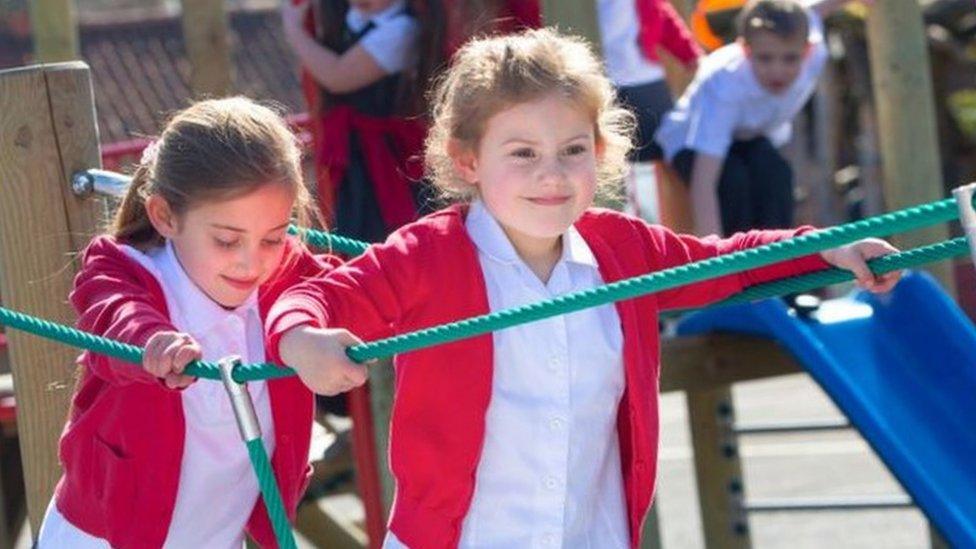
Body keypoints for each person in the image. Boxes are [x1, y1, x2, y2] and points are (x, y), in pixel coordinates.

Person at [265, 29, 900, 548]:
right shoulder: (427, 255)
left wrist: (832, 249)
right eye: (521, 153)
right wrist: (301, 342)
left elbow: (722, 261)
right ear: (467, 161)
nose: (552, 174)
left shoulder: (621, 249)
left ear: (599, 152)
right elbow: (312, 299)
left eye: (573, 150)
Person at [37, 97, 340, 549]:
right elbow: (113, 314)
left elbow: (360, 291)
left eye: (273, 237)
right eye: (226, 239)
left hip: (218, 536)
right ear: (165, 216)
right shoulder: (125, 268)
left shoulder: (288, 276)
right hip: (105, 538)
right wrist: (149, 341)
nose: (250, 261)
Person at [655, 0, 864, 236]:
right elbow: (704, 181)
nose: (778, 70)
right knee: (733, 180)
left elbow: (811, 10)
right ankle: (738, 262)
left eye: (790, 59)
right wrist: (713, 252)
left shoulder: (813, 54)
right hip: (689, 140)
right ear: (745, 51)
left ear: (807, 50)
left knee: (776, 172)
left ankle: (778, 256)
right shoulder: (727, 85)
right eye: (765, 58)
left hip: (748, 135)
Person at [283, 0, 442, 244]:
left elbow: (338, 76)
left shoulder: (401, 29)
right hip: (351, 151)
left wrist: (295, 31)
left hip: (385, 156)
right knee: (344, 221)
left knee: (378, 227)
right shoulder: (346, 20)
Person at [597, 0, 702, 221]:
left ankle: (677, 232)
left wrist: (688, 53)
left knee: (672, 157)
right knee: (608, 167)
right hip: (596, 84)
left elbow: (659, 11)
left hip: (645, 79)